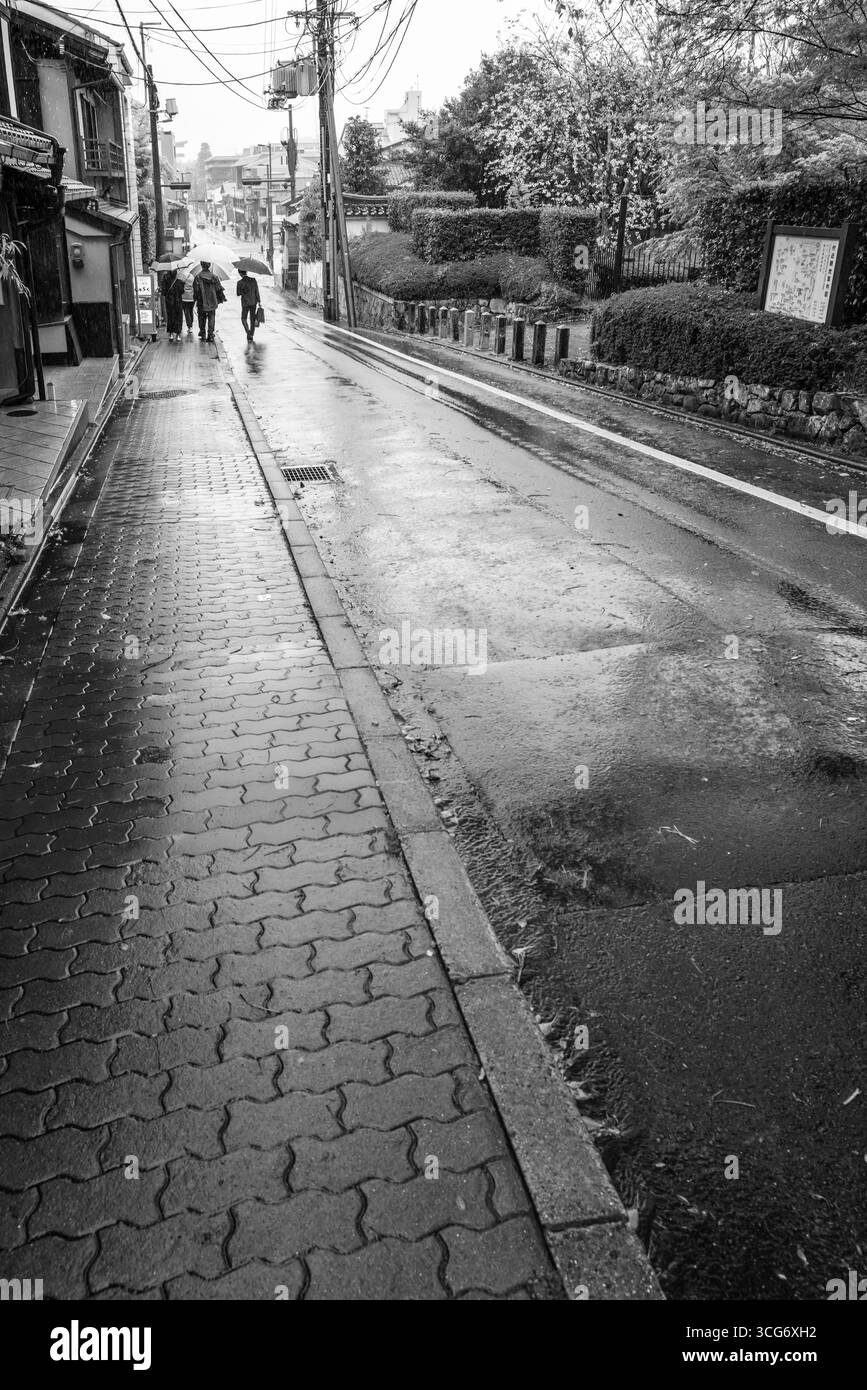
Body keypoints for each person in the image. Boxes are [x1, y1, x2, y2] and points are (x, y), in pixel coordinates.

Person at [192, 261, 225, 343]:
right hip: (212, 300)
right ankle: (210, 335)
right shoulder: (214, 277)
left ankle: (203, 333)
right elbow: (218, 289)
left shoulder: (198, 277)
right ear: (209, 265)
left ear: (201, 265)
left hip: (201, 300)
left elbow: (195, 290)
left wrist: (195, 298)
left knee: (201, 317)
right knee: (211, 317)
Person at [236, 268, 261, 343]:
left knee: (243, 319)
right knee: (252, 319)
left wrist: (243, 291)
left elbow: (238, 293)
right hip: (253, 302)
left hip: (245, 303)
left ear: (240, 273)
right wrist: (259, 301)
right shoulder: (253, 280)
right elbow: (257, 291)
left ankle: (249, 333)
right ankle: (251, 334)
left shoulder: (239, 282)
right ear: (246, 272)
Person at [163, 269, 184, 343]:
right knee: (178, 317)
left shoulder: (165, 280)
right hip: (178, 302)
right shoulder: (179, 281)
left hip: (169, 302)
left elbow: (164, 292)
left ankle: (171, 334)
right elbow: (182, 291)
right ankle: (178, 334)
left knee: (170, 317)